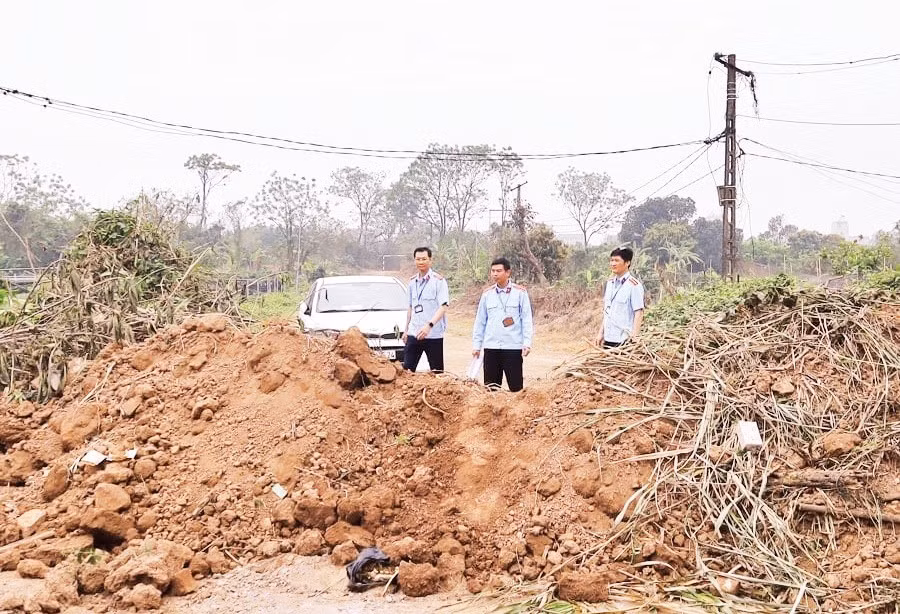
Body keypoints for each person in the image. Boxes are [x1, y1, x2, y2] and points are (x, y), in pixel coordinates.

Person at [472, 257, 534, 392]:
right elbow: (480, 321)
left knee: (516, 388)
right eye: (493, 271)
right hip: (491, 346)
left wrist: (527, 343)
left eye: (499, 271)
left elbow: (526, 319)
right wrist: (477, 345)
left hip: (512, 346)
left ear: (508, 272)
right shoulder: (487, 294)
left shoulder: (520, 293)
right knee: (491, 389)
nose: (495, 274)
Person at [402, 247, 450, 372]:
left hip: (433, 335)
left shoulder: (438, 281)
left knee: (437, 373)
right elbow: (410, 307)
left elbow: (443, 306)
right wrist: (406, 330)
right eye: (418, 259)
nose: (421, 262)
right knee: (407, 371)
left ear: (430, 260)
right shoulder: (412, 282)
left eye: (424, 259)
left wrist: (429, 326)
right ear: (414, 261)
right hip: (414, 333)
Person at [595, 247, 645, 348]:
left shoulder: (634, 285)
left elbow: (639, 313)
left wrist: (634, 337)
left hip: (624, 340)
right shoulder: (610, 284)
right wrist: (601, 333)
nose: (613, 263)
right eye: (612, 260)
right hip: (609, 338)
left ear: (627, 263)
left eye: (617, 260)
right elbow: (607, 312)